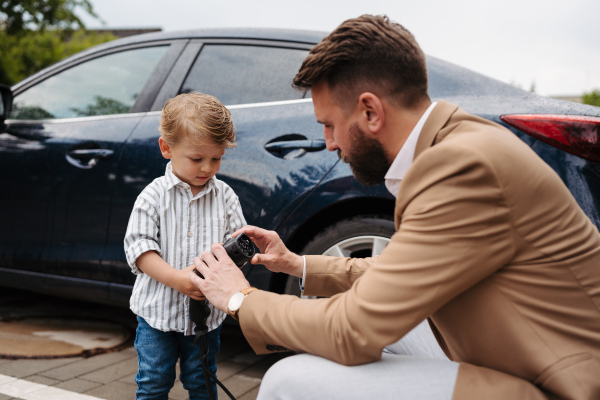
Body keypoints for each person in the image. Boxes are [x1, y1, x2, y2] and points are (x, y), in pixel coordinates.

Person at [189, 15, 600, 400]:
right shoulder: (458, 143)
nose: (330, 143)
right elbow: (397, 277)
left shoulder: (462, 166)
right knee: (383, 332)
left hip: (560, 385)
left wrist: (240, 299)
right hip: (520, 346)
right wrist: (298, 265)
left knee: (287, 383)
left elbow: (354, 329)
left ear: (370, 112)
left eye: (329, 124)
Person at [124, 92, 246, 400]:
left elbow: (239, 244)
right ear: (167, 148)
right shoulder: (152, 197)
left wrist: (235, 262)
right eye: (196, 159)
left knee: (202, 379)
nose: (207, 168)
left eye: (216, 158)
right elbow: (140, 250)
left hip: (205, 317)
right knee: (154, 381)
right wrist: (178, 280)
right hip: (157, 316)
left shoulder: (225, 196)